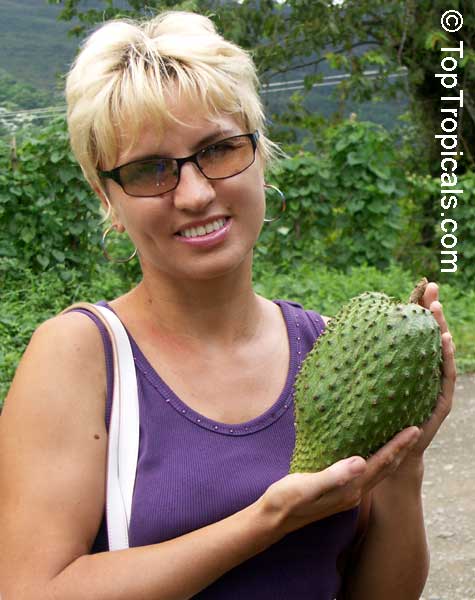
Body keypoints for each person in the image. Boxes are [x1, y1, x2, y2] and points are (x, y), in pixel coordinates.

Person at [0, 10, 456, 600]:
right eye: (150, 169)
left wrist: (405, 466)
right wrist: (267, 522)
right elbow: (29, 589)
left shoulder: (329, 349)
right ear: (106, 196)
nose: (194, 193)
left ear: (260, 153)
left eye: (218, 149)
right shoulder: (81, 356)